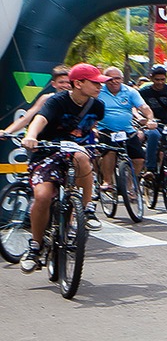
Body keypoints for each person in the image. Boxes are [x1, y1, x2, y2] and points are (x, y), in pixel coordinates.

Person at [16, 65, 106, 274]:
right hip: (47, 152)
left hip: (76, 152)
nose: (99, 86)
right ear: (78, 83)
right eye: (94, 82)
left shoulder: (97, 106)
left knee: (83, 157)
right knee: (43, 196)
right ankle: (35, 247)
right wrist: (31, 136)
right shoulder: (57, 101)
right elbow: (41, 118)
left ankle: (86, 210)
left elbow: (95, 125)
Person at [94, 65, 155, 201]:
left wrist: (150, 119)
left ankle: (130, 185)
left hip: (127, 130)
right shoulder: (98, 92)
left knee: (139, 158)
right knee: (110, 151)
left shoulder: (130, 91)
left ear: (122, 79)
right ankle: (107, 181)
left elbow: (144, 107)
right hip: (105, 130)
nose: (114, 81)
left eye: (117, 79)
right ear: (105, 80)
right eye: (110, 79)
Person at [3, 69, 70, 136]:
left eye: (68, 83)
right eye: (61, 82)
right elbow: (26, 118)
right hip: (45, 141)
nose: (65, 85)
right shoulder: (46, 98)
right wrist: (6, 132)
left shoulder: (79, 100)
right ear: (53, 84)